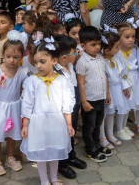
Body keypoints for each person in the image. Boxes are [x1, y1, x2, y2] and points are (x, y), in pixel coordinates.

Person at [20, 38, 75, 185]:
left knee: (54, 151)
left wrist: (69, 124)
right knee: (41, 153)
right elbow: (27, 104)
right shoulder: (32, 81)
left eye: (42, 61)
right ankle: (44, 180)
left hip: (57, 123)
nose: (38, 65)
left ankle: (54, 178)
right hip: (38, 123)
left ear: (54, 60)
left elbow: (67, 103)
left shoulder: (62, 81)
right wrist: (25, 125)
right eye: (36, 62)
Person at [0, 31, 27, 176]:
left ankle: (10, 157)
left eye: (16, 57)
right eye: (8, 56)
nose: (11, 60)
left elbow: (22, 91)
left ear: (21, 56)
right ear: (3, 54)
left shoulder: (22, 72)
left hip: (15, 107)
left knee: (12, 134)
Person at [54, 35, 87, 179]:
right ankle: (62, 163)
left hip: (73, 106)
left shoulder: (70, 67)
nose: (77, 54)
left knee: (71, 134)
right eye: (75, 53)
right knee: (62, 136)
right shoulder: (55, 72)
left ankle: (71, 156)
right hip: (62, 111)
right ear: (64, 57)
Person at [76, 26, 110, 162]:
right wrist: (83, 101)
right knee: (89, 126)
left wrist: (107, 93)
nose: (97, 47)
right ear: (83, 46)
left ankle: (97, 145)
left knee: (97, 124)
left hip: (100, 98)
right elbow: (80, 83)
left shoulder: (100, 58)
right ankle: (90, 149)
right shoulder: (82, 62)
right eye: (93, 44)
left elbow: (105, 76)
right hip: (89, 100)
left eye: (99, 43)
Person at [100, 30, 132, 146]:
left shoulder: (117, 57)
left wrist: (125, 87)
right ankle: (102, 136)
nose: (119, 49)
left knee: (111, 113)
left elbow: (122, 74)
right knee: (104, 114)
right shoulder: (101, 62)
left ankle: (110, 134)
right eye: (117, 47)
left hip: (117, 90)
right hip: (108, 91)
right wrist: (107, 93)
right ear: (107, 50)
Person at [116, 22, 139, 140]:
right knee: (122, 106)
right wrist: (123, 85)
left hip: (133, 80)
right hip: (122, 83)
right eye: (127, 37)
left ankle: (124, 126)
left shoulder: (134, 50)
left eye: (133, 37)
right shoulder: (117, 53)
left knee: (129, 105)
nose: (131, 40)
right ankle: (119, 129)